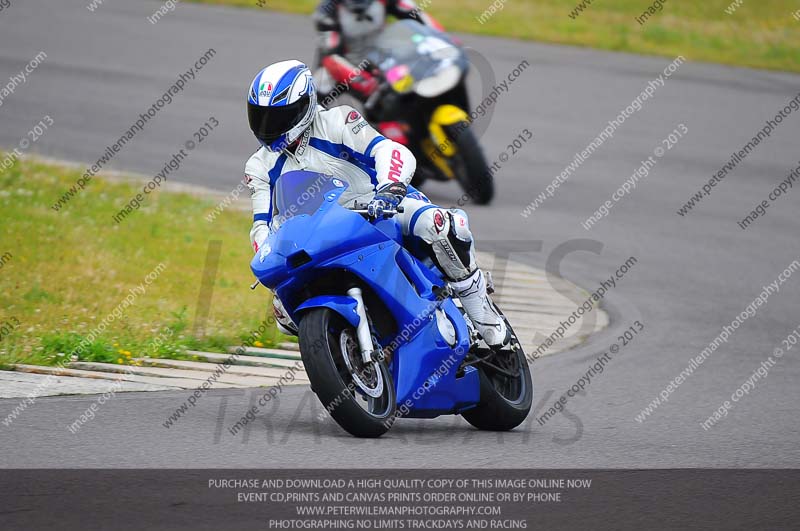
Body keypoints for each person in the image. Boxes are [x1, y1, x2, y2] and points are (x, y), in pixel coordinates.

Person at [245, 60, 509, 347]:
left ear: (305, 104)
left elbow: (389, 150)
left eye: (279, 117)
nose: (268, 127)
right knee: (283, 310)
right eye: (261, 117)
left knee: (440, 225)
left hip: (377, 209)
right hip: (319, 236)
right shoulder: (259, 166)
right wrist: (268, 254)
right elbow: (262, 224)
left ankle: (480, 312)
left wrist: (390, 189)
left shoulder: (338, 122)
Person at [313, 0, 443, 101]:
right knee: (314, 91)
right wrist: (362, 80)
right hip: (345, 65)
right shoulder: (326, 11)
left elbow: (420, 17)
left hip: (384, 59)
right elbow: (331, 57)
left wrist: (441, 40)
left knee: (419, 80)